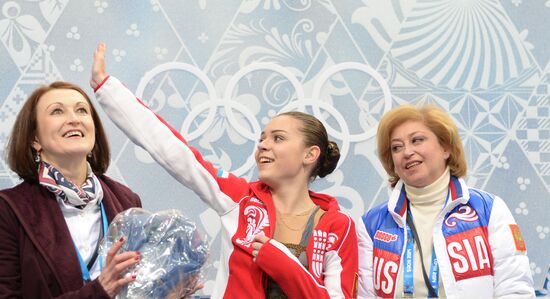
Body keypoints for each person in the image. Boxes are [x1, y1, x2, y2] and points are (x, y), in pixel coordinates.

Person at [90, 43, 358, 298]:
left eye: (278, 138)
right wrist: (108, 89)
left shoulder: (338, 226)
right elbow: (174, 151)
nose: (264, 146)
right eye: (262, 139)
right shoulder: (240, 200)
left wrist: (282, 263)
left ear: (310, 154)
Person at [356, 105, 535, 298]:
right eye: (396, 147)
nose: (407, 152)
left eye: (417, 140)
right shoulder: (371, 225)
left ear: (446, 148)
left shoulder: (489, 209)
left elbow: (514, 289)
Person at [0, 81, 142, 298]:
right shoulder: (9, 210)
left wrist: (169, 292)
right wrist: (99, 292)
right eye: (57, 111)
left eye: (82, 110)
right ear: (35, 139)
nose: (74, 119)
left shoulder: (127, 201)